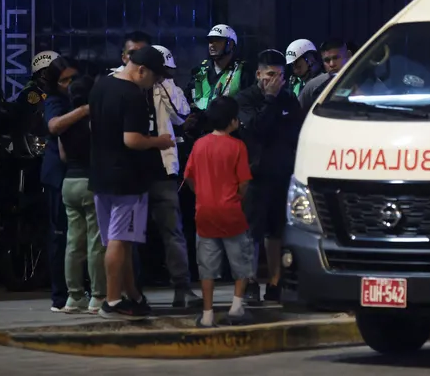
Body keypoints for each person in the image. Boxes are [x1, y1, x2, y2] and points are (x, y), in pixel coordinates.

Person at [112, 33, 201, 307]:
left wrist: (164, 82)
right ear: (124, 57)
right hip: (129, 168)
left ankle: (182, 288)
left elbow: (182, 115)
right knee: (129, 235)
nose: (140, 59)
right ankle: (132, 291)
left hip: (161, 168)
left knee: (172, 230)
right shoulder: (115, 81)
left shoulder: (161, 83)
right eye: (133, 53)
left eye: (145, 53)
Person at [89, 46, 176, 319]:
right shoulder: (133, 96)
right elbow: (132, 139)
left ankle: (132, 295)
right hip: (126, 179)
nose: (154, 84)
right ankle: (112, 301)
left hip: (100, 175)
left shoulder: (100, 86)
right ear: (142, 70)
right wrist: (159, 142)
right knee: (119, 239)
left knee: (118, 241)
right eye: (154, 78)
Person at [236, 49, 303, 304]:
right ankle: (250, 281)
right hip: (255, 176)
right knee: (252, 232)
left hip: (282, 175)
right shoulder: (246, 99)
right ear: (258, 74)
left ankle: (275, 282)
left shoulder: (289, 99)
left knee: (276, 232)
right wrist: (270, 100)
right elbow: (256, 130)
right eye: (271, 75)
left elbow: (295, 134)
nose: (276, 81)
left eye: (281, 76)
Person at [183, 96, 254, 328]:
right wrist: (237, 197)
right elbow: (244, 182)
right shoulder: (238, 146)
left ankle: (207, 314)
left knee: (207, 267)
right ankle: (236, 307)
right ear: (233, 121)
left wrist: (203, 194)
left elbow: (189, 178)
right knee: (240, 262)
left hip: (204, 213)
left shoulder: (199, 144)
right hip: (231, 212)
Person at [58, 74, 106, 314]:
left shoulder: (64, 123)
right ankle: (97, 297)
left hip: (69, 182)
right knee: (95, 243)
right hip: (90, 182)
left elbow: (63, 156)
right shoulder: (95, 120)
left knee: (73, 243)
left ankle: (73, 296)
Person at [41, 54, 81, 313]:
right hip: (59, 176)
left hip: (79, 174)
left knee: (79, 239)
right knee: (61, 238)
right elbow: (54, 126)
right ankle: (60, 295)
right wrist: (84, 111)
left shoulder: (80, 96)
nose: (69, 84)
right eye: (64, 80)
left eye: (73, 78)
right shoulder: (55, 101)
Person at [184, 24, 256, 137]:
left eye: (217, 41)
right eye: (210, 41)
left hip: (230, 134)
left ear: (230, 44)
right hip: (200, 134)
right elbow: (188, 99)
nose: (212, 45)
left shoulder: (244, 72)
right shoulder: (199, 71)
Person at [299, 38, 354, 110]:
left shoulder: (363, 81)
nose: (332, 64)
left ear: (348, 55)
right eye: (327, 60)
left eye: (336, 58)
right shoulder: (313, 86)